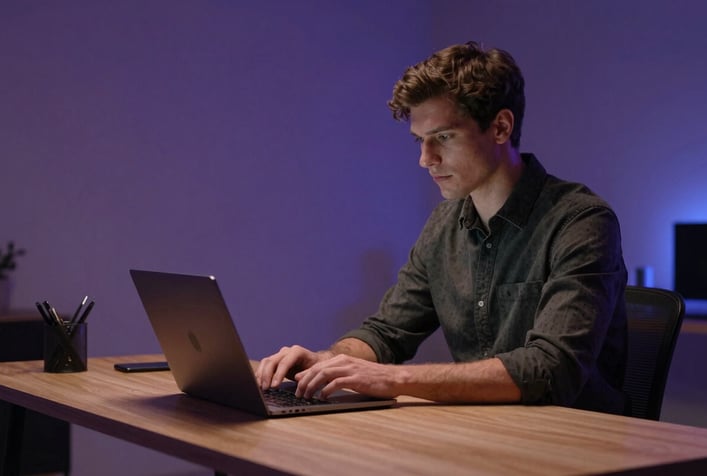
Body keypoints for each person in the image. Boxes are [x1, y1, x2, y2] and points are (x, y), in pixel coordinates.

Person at [256, 41, 629, 414]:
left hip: (576, 444)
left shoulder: (581, 221)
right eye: (420, 141)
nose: (425, 159)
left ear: (500, 127)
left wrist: (391, 379)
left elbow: (550, 369)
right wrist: (328, 362)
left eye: (444, 138)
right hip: (487, 433)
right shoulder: (444, 225)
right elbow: (387, 332)